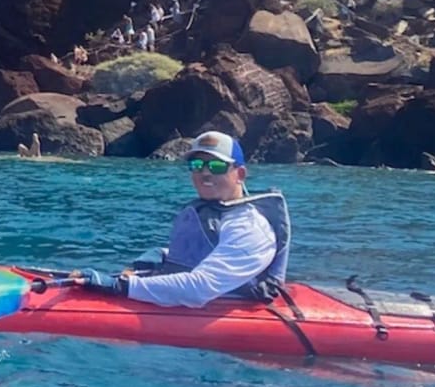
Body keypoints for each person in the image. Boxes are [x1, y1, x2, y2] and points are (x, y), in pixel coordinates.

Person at [78, 131, 290, 307]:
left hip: (231, 310)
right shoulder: (216, 213)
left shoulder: (250, 229)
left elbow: (198, 288)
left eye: (216, 166)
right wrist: (164, 255)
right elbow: (204, 254)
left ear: (240, 174)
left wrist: (121, 287)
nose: (205, 173)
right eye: (197, 165)